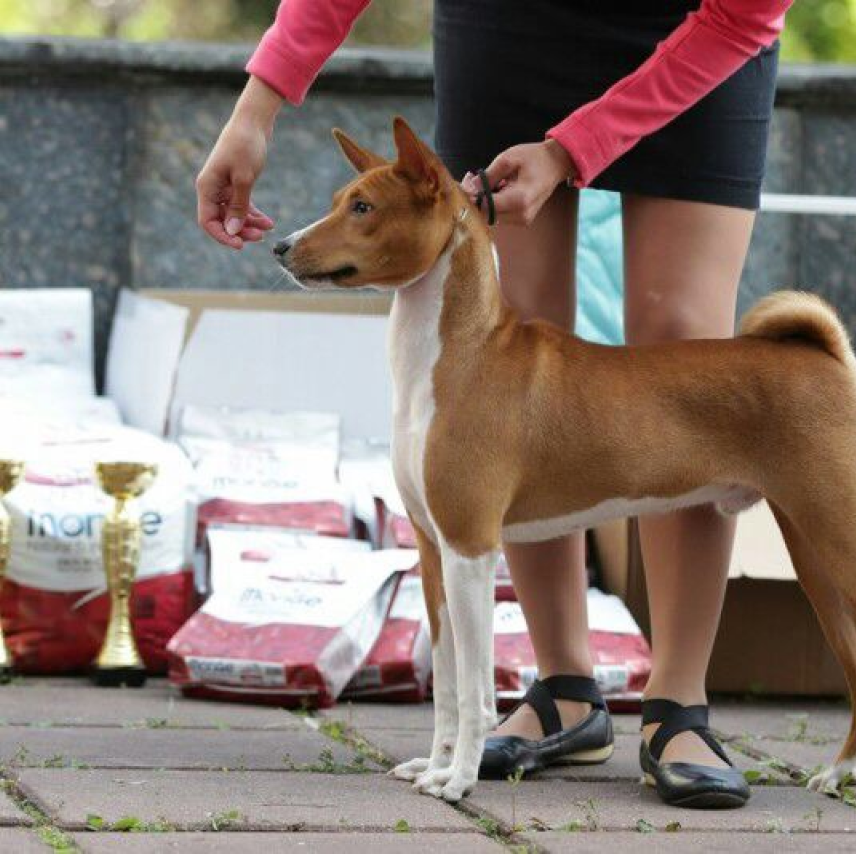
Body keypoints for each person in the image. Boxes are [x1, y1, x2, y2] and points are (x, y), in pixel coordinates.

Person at [196, 0, 790, 809]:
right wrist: (257, 104)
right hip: (511, 27)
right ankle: (564, 689)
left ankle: (676, 702)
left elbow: (741, 17)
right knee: (513, 341)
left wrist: (570, 149)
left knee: (679, 346)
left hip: (699, 38)